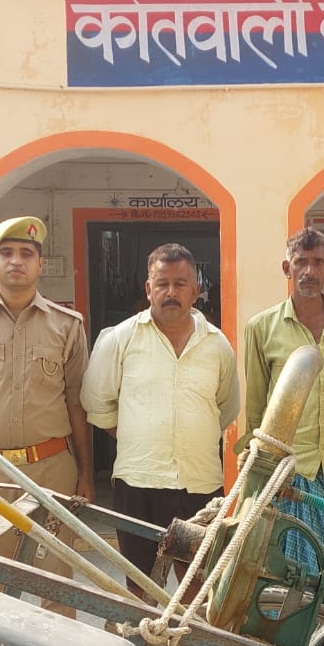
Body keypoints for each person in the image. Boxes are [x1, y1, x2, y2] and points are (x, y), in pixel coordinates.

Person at [0, 216, 92, 611]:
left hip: (51, 470)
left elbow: (77, 403)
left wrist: (86, 474)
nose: (16, 261)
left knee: (57, 581)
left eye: (26, 253)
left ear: (40, 264)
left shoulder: (67, 325)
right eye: (6, 252)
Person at [82, 243, 240, 592]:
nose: (171, 292)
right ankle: (143, 630)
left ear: (195, 290)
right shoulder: (120, 339)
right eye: (162, 283)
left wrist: (188, 433)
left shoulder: (217, 345)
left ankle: (191, 632)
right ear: (148, 288)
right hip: (138, 483)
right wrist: (140, 437)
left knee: (198, 588)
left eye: (180, 284)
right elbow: (97, 404)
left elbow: (225, 408)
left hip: (199, 484)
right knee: (140, 587)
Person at [238, 228, 324, 579]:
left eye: (318, 262)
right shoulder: (261, 327)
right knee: (289, 573)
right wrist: (257, 467)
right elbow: (256, 406)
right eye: (301, 262)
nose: (309, 271)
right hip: (290, 469)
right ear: (286, 268)